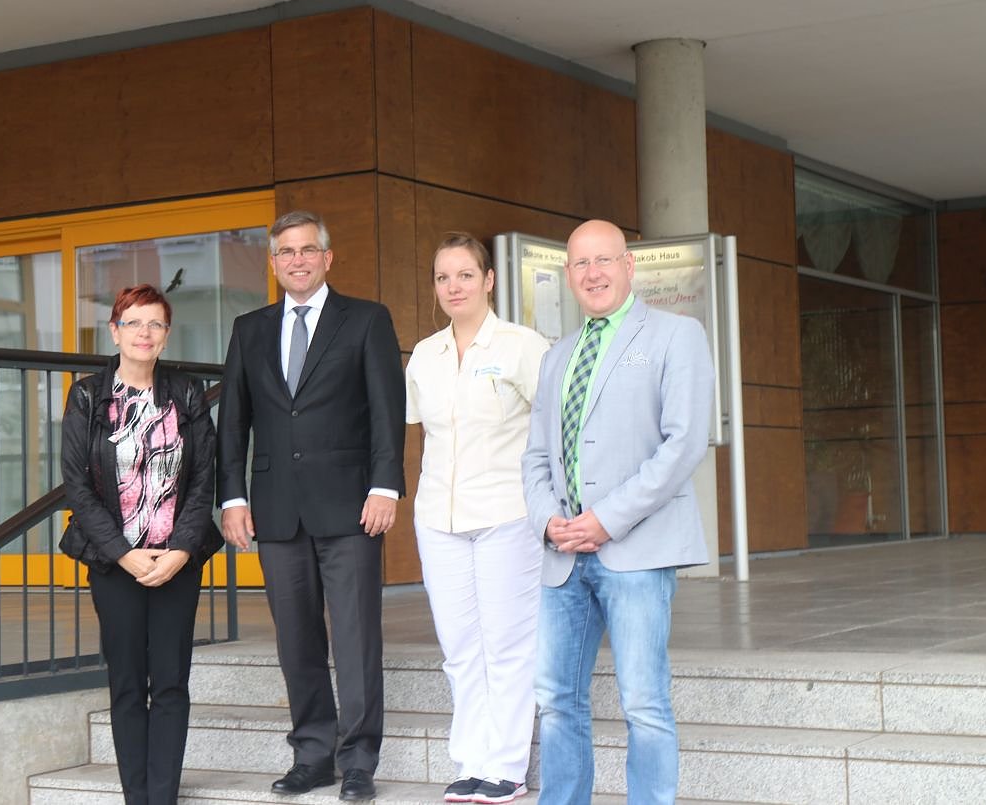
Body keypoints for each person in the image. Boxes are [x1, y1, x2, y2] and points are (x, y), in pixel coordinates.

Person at [521, 220, 714, 805]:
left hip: (636, 551)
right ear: (568, 275)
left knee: (644, 703)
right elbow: (535, 455)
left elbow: (684, 444)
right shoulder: (557, 356)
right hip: (563, 557)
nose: (593, 273)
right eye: (580, 263)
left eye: (603, 260)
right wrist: (546, 520)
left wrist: (607, 519)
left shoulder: (677, 335)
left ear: (629, 266)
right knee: (557, 702)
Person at [216, 210, 405, 802]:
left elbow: (387, 409)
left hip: (351, 507)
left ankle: (359, 762)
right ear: (273, 263)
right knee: (296, 640)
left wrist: (385, 486)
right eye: (285, 252)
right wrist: (232, 497)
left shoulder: (367, 320)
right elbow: (233, 423)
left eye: (306, 250)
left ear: (327, 257)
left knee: (355, 638)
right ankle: (313, 755)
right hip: (276, 510)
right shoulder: (249, 329)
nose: (296, 260)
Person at [60, 283, 224, 805]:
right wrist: (124, 553)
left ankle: (163, 795)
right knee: (128, 683)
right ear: (115, 331)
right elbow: (77, 486)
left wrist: (180, 550)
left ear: (166, 334)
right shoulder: (88, 395)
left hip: (177, 561)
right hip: (116, 564)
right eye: (133, 322)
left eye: (155, 323)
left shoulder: (186, 393)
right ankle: (138, 796)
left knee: (171, 683)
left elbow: (203, 479)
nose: (144, 333)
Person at [405, 234, 549, 804]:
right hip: (438, 517)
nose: (454, 286)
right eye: (443, 277)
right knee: (460, 646)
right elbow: (420, 432)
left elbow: (550, 430)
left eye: (465, 274)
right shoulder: (425, 355)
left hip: (506, 512)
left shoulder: (522, 346)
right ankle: (471, 760)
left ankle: (506, 767)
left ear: (489, 280)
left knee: (506, 644)